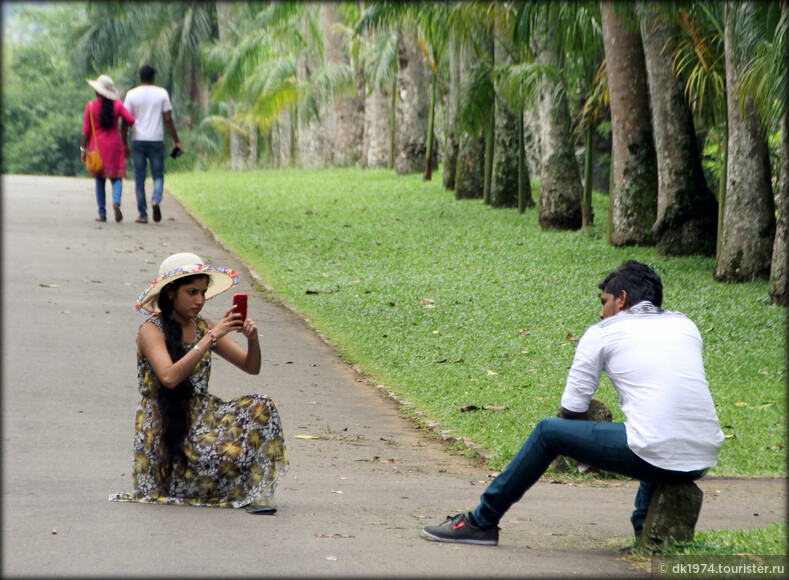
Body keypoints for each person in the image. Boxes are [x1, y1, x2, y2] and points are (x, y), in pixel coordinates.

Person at [422, 260, 724, 546]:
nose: (602, 313)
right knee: (649, 431)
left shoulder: (603, 333)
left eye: (604, 302)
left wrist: (584, 453)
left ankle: (481, 521)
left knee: (548, 432)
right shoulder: (686, 325)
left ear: (621, 298)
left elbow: (572, 410)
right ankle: (643, 530)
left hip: (655, 449)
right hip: (704, 454)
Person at [110, 252, 288, 511]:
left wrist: (252, 338)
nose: (200, 300)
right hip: (164, 427)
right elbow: (169, 377)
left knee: (262, 406)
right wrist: (210, 338)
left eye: (203, 293)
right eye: (192, 292)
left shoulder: (203, 326)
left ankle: (251, 493)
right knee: (201, 462)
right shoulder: (151, 329)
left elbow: (251, 367)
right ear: (171, 292)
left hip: (203, 418)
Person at [121, 65, 182, 224]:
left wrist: (124, 143)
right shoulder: (162, 93)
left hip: (138, 139)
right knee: (158, 174)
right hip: (156, 140)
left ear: (141, 77)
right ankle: (156, 199)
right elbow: (168, 119)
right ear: (153, 77)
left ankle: (143, 214)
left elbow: (125, 121)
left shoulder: (131, 94)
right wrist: (176, 140)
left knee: (140, 177)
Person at [81, 75, 135, 222]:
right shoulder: (117, 105)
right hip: (115, 147)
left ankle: (102, 214)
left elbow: (86, 131)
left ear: (97, 91)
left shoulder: (91, 106)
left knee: (99, 180)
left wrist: (83, 150)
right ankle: (116, 202)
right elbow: (131, 121)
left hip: (97, 148)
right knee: (116, 177)